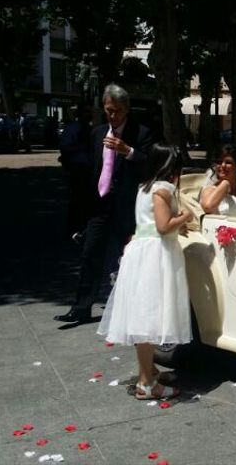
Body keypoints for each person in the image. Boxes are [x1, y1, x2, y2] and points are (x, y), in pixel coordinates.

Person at [97, 143, 192, 400]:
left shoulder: (145, 188)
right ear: (171, 169)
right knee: (149, 318)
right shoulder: (163, 189)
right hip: (155, 255)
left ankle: (148, 370)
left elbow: (151, 223)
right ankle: (147, 383)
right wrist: (185, 216)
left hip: (141, 251)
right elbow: (162, 226)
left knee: (143, 316)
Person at [54, 84, 153, 323]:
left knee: (129, 258)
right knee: (90, 254)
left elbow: (151, 164)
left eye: (117, 111)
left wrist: (128, 151)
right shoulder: (98, 133)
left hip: (127, 208)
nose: (113, 115)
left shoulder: (141, 133)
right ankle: (81, 307)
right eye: (109, 110)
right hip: (100, 205)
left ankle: (138, 308)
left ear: (126, 109)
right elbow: (93, 167)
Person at [59, 104, 94, 240]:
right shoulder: (72, 129)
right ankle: (72, 230)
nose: (89, 115)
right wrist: (80, 147)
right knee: (77, 201)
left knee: (88, 202)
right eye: (86, 112)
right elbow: (65, 148)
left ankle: (85, 230)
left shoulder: (92, 129)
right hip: (78, 168)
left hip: (90, 169)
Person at [199, 144, 236, 217]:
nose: (223, 165)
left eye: (228, 162)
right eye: (219, 162)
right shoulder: (209, 189)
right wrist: (225, 185)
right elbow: (208, 207)